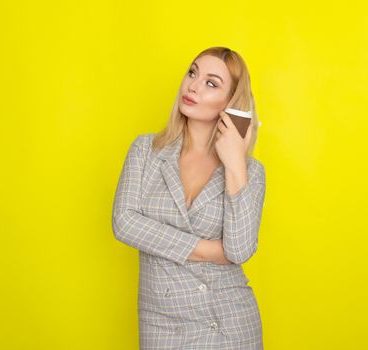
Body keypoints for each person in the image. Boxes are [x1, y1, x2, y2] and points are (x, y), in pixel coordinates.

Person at [112, 46, 266, 349]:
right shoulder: (146, 150)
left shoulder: (251, 171)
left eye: (211, 83)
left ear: (230, 102)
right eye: (192, 73)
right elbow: (124, 222)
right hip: (163, 321)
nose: (193, 85)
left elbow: (240, 249)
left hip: (229, 322)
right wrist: (211, 251)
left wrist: (234, 162)